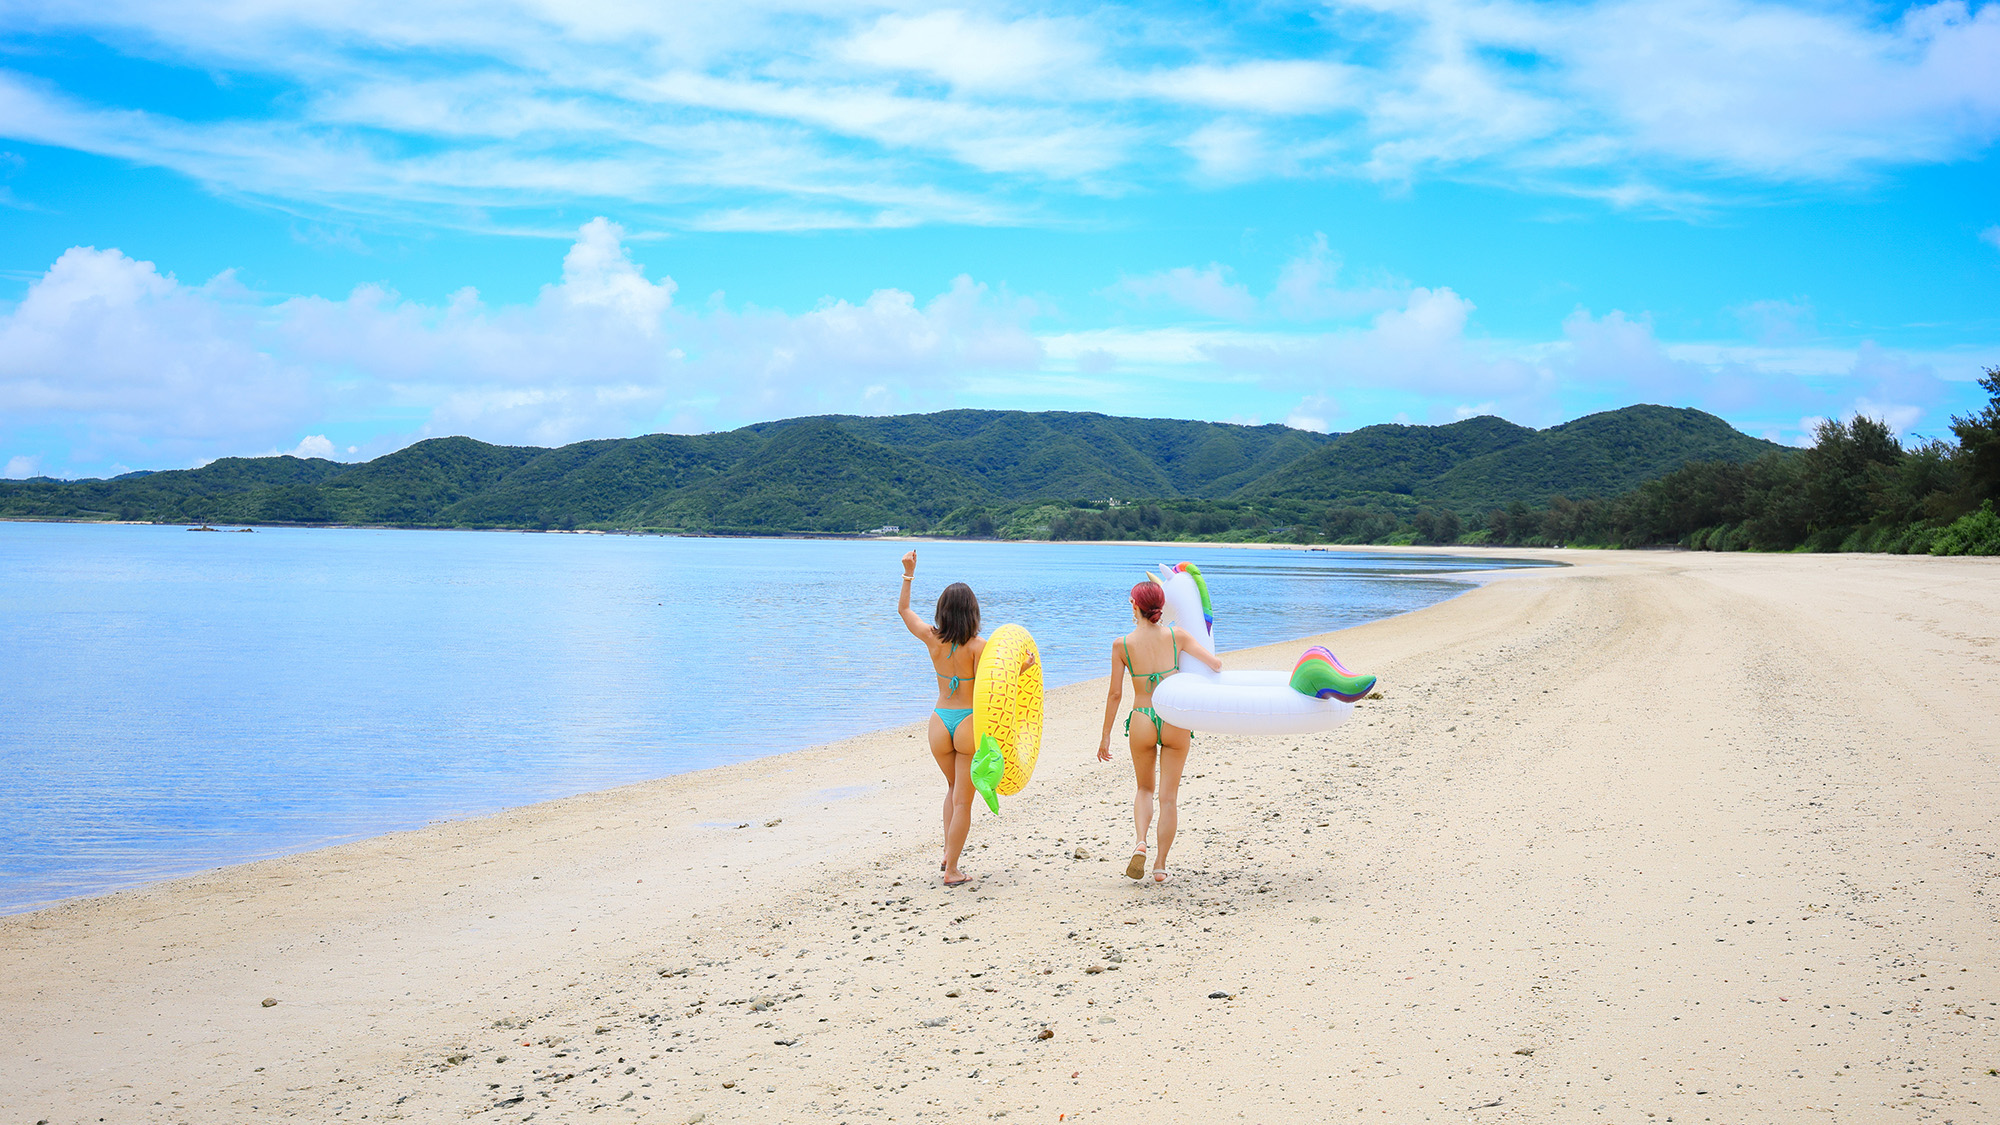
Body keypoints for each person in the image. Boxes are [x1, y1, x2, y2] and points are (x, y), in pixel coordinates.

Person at [1096, 578, 1222, 885]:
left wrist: (1106, 735)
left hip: (1142, 715)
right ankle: (1160, 866)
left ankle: (1141, 840)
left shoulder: (1121, 645)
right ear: (1160, 607)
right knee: (1168, 797)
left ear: (1134, 606)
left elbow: (1115, 694)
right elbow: (1215, 665)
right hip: (1174, 714)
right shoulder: (1177, 635)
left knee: (1144, 789)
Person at [897, 550, 985, 886]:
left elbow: (904, 610)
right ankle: (952, 871)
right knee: (963, 798)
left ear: (942, 612)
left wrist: (908, 574)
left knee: (951, 789)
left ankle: (949, 853)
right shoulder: (979, 646)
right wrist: (1029, 663)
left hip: (939, 720)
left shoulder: (932, 639)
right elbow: (1008, 672)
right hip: (967, 723)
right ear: (973, 613)